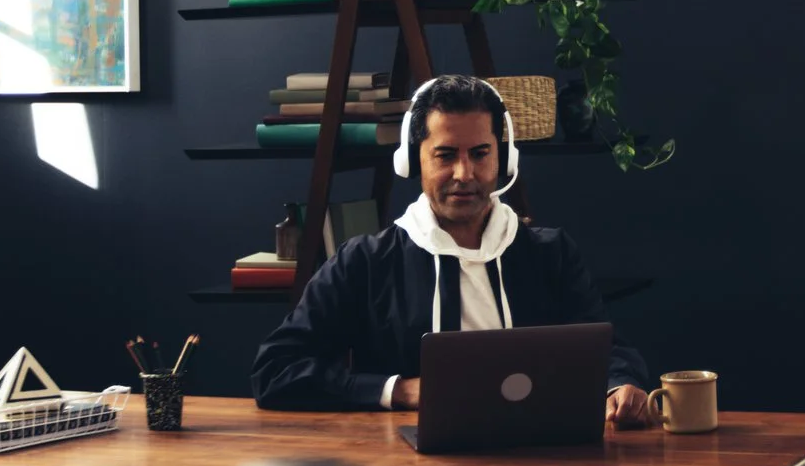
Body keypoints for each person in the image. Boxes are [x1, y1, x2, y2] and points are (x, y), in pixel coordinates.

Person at [250, 74, 654, 425]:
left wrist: (620, 385)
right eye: (445, 155)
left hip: (540, 459)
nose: (465, 174)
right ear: (412, 160)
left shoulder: (550, 253)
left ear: (505, 158)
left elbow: (609, 350)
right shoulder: (365, 262)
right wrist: (399, 391)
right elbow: (275, 371)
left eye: (480, 154)